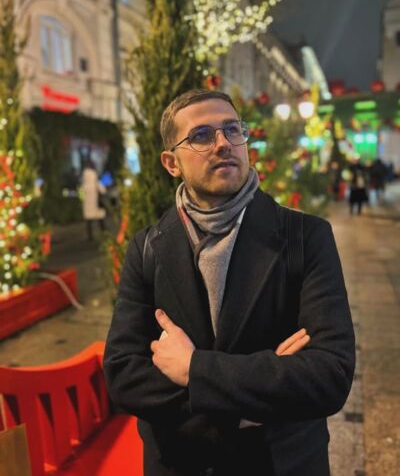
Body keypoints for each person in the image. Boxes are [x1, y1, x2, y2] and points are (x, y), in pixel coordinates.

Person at [104, 90, 355, 476]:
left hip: (280, 463)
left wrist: (193, 370)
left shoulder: (305, 238)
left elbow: (329, 375)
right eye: (201, 135)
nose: (223, 143)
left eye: (232, 130)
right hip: (180, 463)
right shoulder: (148, 248)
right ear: (171, 163)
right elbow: (124, 376)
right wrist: (265, 386)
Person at [81, 159, 106, 240]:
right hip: (95, 201)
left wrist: (82, 199)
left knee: (88, 219)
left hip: (87, 202)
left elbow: (81, 192)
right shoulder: (94, 175)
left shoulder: (84, 179)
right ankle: (104, 231)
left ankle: (90, 236)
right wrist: (103, 190)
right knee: (100, 216)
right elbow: (99, 186)